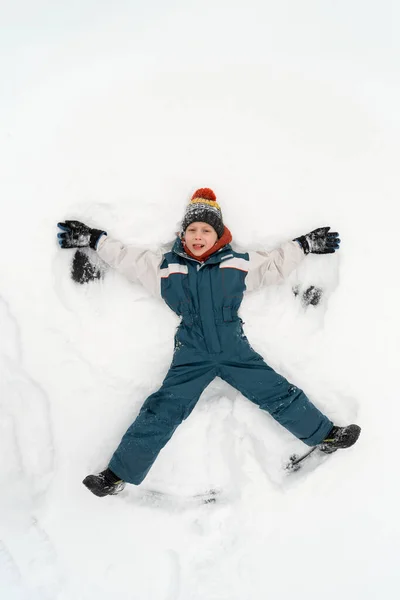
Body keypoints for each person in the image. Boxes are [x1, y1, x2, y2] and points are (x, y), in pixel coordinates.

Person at [57, 188, 361, 497]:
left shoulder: (238, 264)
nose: (198, 236)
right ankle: (116, 475)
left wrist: (304, 245)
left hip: (234, 349)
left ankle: (326, 435)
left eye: (205, 230)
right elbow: (126, 259)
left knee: (277, 392)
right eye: (192, 230)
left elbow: (274, 265)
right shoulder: (166, 266)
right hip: (191, 353)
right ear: (183, 234)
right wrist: (95, 239)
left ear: (218, 235)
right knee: (163, 410)